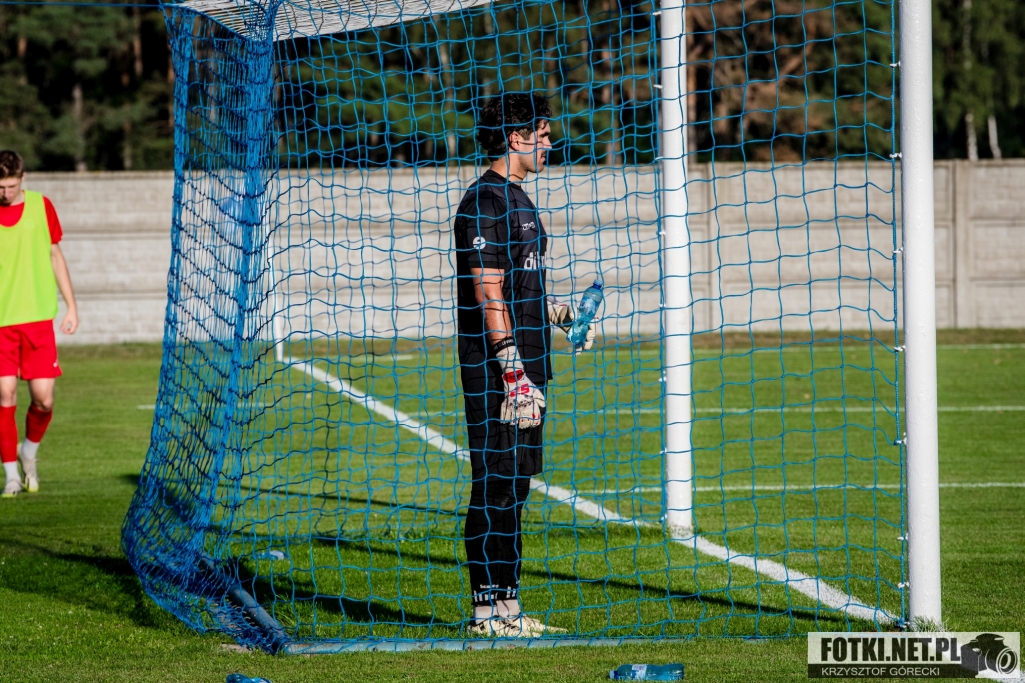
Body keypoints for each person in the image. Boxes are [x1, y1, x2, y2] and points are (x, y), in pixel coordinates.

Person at [452, 93, 596, 637]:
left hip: (530, 365)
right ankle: (484, 613)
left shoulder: (521, 198)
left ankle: (509, 609)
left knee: (516, 486)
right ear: (516, 138)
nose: (550, 144)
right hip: (497, 369)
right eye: (544, 135)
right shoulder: (483, 201)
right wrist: (511, 368)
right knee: (493, 483)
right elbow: (488, 291)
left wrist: (559, 313)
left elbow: (518, 286)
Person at [0, 150, 79, 498]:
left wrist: (71, 307)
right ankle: (11, 478)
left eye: (10, 186)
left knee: (43, 400)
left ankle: (28, 454)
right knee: (4, 394)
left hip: (37, 321)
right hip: (1, 323)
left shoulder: (41, 206)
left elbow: (55, 256)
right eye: (0, 187)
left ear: (23, 179)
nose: (5, 193)